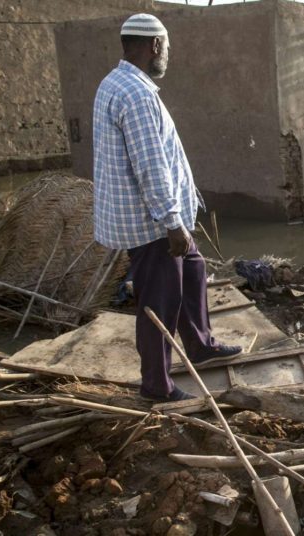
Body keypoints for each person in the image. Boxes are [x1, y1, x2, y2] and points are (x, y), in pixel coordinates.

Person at [92, 13, 240, 403]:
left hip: (152, 217)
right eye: (167, 48)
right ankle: (157, 385)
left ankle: (200, 344)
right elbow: (151, 167)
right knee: (160, 301)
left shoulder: (117, 82)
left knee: (193, 269)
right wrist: (173, 222)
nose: (168, 56)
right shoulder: (137, 95)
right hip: (152, 224)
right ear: (154, 45)